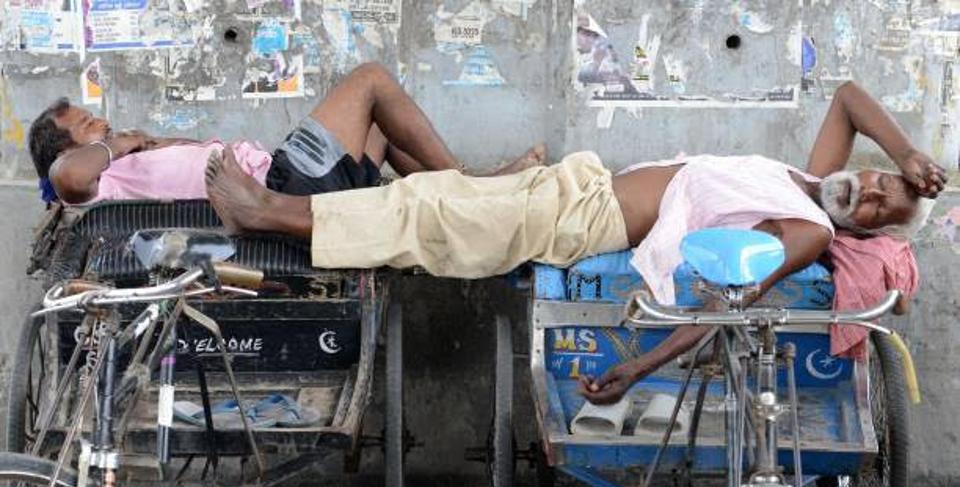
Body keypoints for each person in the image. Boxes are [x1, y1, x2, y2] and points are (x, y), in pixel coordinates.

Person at [203, 81, 946, 403]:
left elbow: (731, 302)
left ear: (862, 230)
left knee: (426, 216)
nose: (872, 195)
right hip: (576, 186)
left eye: (882, 211)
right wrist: (911, 154)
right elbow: (849, 97)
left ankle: (268, 214)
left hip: (580, 222)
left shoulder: (811, 226)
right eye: (881, 181)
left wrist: (639, 365)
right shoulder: (806, 179)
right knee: (434, 194)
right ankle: (289, 205)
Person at [27, 62, 544, 206]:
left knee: (384, 131)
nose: (98, 121)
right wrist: (121, 143)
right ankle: (478, 189)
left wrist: (148, 142)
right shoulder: (95, 178)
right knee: (370, 81)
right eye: (84, 124)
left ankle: (471, 188)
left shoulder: (118, 168)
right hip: (282, 185)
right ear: (68, 144)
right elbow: (65, 174)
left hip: (286, 179)